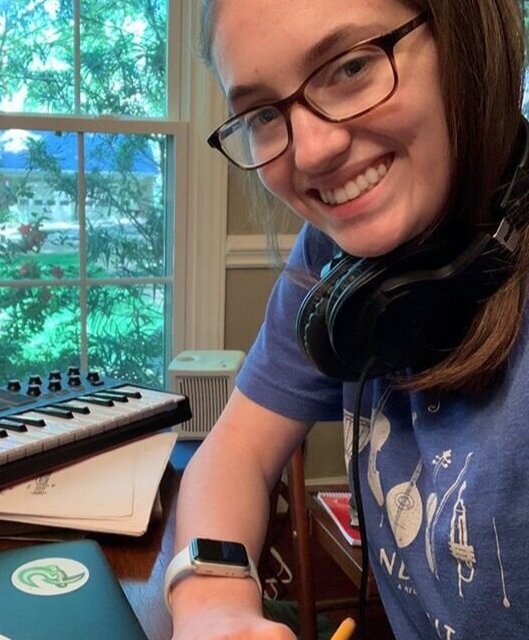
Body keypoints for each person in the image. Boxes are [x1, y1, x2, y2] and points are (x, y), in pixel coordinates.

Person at [167, 1, 529, 638]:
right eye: (262, 114)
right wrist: (212, 603)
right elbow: (235, 454)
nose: (311, 150)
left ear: (466, 39)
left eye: (351, 67)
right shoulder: (335, 254)